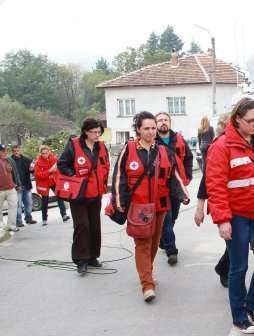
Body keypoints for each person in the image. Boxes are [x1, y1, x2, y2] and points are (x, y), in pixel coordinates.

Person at [206, 98, 254, 334]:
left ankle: (252, 305)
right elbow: (215, 185)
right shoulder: (222, 145)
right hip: (235, 214)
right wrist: (222, 220)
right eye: (250, 121)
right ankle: (239, 316)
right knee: (238, 267)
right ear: (237, 119)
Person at [112, 111, 175, 302]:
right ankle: (147, 285)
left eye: (153, 128)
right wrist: (119, 200)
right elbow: (119, 176)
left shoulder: (163, 150)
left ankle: (147, 272)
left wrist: (184, 196)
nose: (150, 132)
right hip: (139, 207)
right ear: (138, 129)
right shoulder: (129, 148)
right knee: (143, 244)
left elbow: (174, 176)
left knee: (155, 243)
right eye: (146, 128)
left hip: (160, 205)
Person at [58, 118, 110, 275]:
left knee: (95, 225)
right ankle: (81, 259)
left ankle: (93, 256)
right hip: (79, 194)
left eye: (99, 132)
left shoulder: (101, 146)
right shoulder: (73, 145)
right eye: (94, 132)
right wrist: (73, 176)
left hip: (96, 193)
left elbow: (106, 165)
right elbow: (62, 164)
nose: (97, 135)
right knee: (82, 225)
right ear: (86, 132)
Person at [194, 113, 230, 288]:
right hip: (222, 204)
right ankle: (225, 270)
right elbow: (206, 180)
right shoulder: (216, 148)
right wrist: (199, 208)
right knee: (235, 244)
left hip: (243, 204)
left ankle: (224, 268)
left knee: (239, 244)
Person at [155, 112, 193, 265]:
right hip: (161, 187)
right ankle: (172, 251)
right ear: (155, 123)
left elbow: (189, 158)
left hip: (177, 187)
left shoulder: (178, 139)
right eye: (160, 120)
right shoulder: (152, 141)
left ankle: (163, 241)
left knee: (174, 216)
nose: (163, 122)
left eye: (166, 120)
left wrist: (188, 176)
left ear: (170, 123)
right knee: (166, 220)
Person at [33, 145, 70, 226]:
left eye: (46, 153)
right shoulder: (38, 163)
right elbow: (38, 175)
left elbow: (60, 168)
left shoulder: (54, 159)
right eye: (43, 153)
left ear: (49, 152)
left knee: (60, 197)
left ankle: (64, 215)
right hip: (44, 183)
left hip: (54, 181)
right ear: (40, 153)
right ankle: (44, 219)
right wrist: (49, 171)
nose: (45, 155)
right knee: (45, 201)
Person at [10, 145, 36, 227]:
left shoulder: (25, 160)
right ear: (12, 152)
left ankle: (28, 218)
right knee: (18, 205)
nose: (16, 152)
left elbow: (33, 164)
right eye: (14, 151)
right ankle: (18, 221)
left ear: (20, 151)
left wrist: (32, 168)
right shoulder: (10, 161)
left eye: (17, 150)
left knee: (29, 204)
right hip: (17, 187)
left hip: (27, 185)